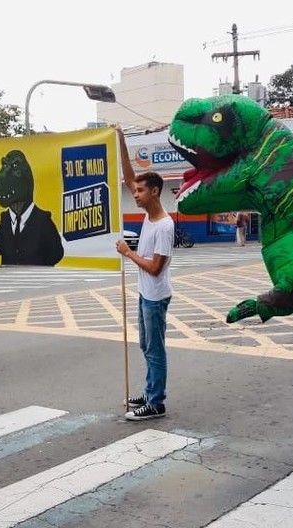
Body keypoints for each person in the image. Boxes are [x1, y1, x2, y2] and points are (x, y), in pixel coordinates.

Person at [114, 128, 174, 421]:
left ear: (155, 192)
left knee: (155, 349)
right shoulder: (149, 217)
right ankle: (150, 391)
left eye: (140, 191)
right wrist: (121, 141)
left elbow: (155, 267)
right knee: (145, 345)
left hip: (156, 296)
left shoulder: (164, 225)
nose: (134, 195)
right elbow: (128, 176)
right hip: (145, 293)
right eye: (134, 191)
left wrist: (128, 253)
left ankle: (156, 402)